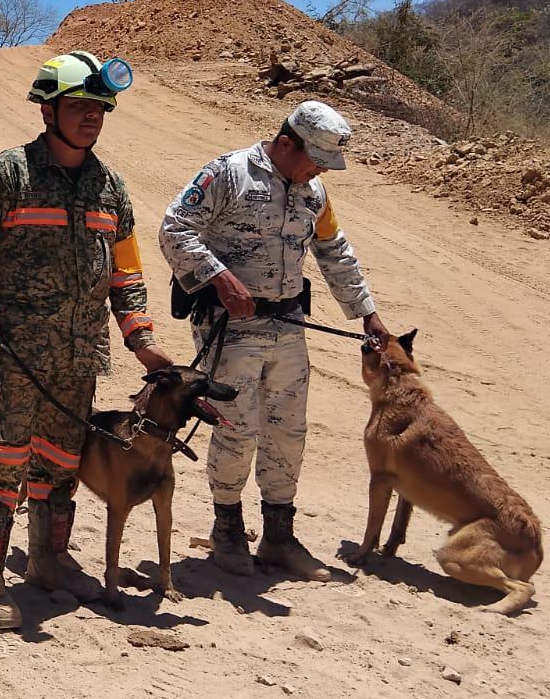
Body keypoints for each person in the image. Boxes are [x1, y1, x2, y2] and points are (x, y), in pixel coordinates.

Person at [0, 51, 174, 630]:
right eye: (78, 106)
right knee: (0, 465)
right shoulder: (8, 174)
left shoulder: (110, 188)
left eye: (100, 108)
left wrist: (141, 340)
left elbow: (125, 272)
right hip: (13, 356)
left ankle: (49, 558)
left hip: (78, 358)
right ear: (48, 110)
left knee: (60, 465)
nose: (91, 118)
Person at [159, 99, 390, 579]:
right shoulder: (228, 173)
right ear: (286, 143)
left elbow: (334, 251)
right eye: (315, 160)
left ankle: (279, 537)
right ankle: (227, 532)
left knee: (288, 431)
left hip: (288, 328)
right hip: (231, 331)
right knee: (235, 429)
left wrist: (367, 314)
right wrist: (219, 277)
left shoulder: (314, 192)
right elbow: (175, 229)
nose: (318, 172)